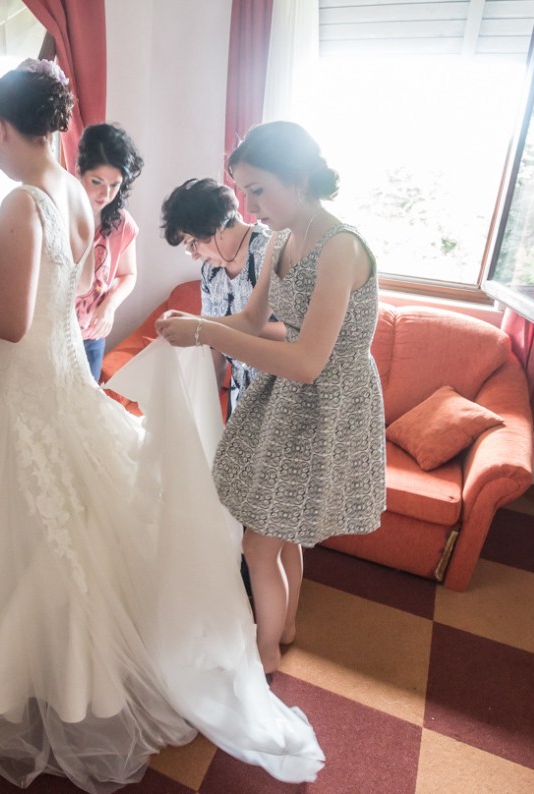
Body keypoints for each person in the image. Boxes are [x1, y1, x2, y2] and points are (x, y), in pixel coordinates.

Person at [0, 64, 323, 793]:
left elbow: (14, 324)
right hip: (60, 373)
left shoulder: (22, 200)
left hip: (21, 379)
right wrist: (9, 293)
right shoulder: (76, 194)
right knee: (73, 507)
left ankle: (33, 659)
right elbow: (73, 288)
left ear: (0, 129)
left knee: (18, 510)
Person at [156, 121, 387, 676]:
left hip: (327, 402)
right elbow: (250, 320)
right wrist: (197, 322)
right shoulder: (282, 238)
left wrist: (205, 333)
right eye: (244, 192)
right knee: (281, 537)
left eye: (257, 190)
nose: (249, 207)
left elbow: (308, 361)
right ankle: (283, 630)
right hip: (286, 397)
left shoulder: (341, 247)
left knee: (258, 546)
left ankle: (264, 657)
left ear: (299, 178)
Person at [161, 178, 281, 414]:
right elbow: (213, 351)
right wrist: (203, 412)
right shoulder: (211, 272)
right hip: (240, 401)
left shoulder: (270, 252)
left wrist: (208, 328)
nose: (194, 255)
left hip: (280, 397)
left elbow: (297, 335)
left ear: (216, 226)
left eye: (192, 243)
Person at [74, 123, 143, 381]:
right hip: (53, 334)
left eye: (115, 185)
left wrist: (110, 306)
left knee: (86, 404)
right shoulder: (58, 214)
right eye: (97, 182)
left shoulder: (122, 224)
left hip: (92, 337)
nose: (106, 194)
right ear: (79, 171)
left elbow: (129, 275)